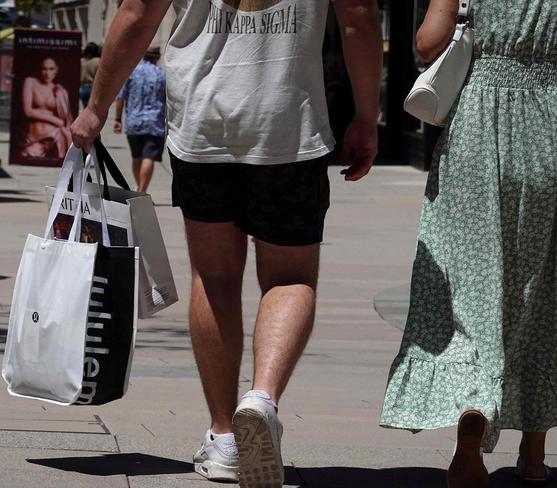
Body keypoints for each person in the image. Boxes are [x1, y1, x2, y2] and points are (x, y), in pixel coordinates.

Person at [70, 1, 382, 487]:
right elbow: (359, 17)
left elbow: (137, 15)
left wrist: (95, 108)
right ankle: (261, 399)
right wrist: (366, 114)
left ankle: (223, 438)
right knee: (291, 276)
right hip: (289, 125)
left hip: (202, 123)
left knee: (213, 278)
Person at [380, 1, 557, 487]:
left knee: (473, 287)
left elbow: (426, 43)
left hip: (477, 137)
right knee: (546, 286)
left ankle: (471, 425)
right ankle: (532, 453)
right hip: (555, 134)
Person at [114, 45, 166, 194]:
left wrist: (118, 119)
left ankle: (139, 189)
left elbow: (121, 98)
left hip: (133, 122)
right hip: (154, 123)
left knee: (136, 156)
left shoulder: (132, 73)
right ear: (157, 57)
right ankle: (143, 190)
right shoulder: (162, 75)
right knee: (149, 156)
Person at [20, 57, 73, 159]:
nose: (47, 73)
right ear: (40, 69)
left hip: (55, 137)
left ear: (56, 70)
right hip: (34, 137)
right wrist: (54, 120)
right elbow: (27, 111)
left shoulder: (59, 90)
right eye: (44, 69)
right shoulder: (31, 82)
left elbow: (66, 117)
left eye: (51, 69)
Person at [80, 43, 101, 108]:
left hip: (83, 89)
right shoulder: (98, 61)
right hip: (94, 89)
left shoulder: (82, 61)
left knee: (85, 110)